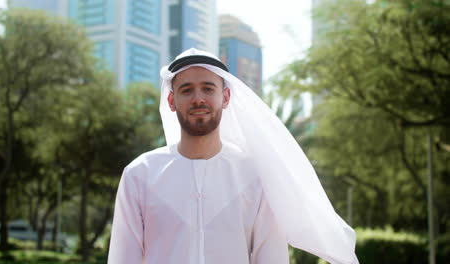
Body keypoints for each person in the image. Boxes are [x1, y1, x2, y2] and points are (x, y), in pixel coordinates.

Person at [108, 49, 359, 264]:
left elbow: (270, 257)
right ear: (172, 101)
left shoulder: (255, 176)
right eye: (186, 90)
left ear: (225, 97)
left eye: (208, 88)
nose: (198, 99)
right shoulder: (140, 175)